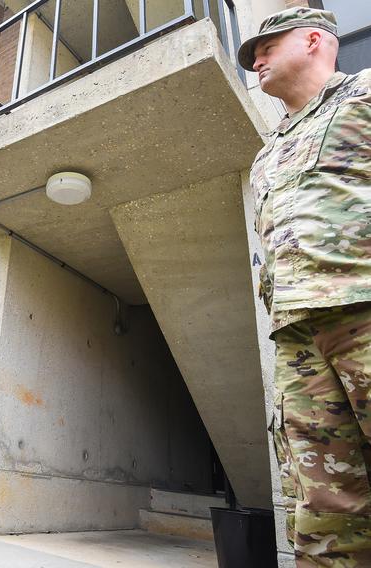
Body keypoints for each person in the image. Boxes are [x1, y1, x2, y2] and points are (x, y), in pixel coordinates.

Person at [239, 7, 371, 567]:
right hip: (296, 335)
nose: (257, 60)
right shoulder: (266, 152)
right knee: (322, 502)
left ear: (315, 40)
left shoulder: (365, 93)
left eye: (268, 46)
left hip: (362, 307)